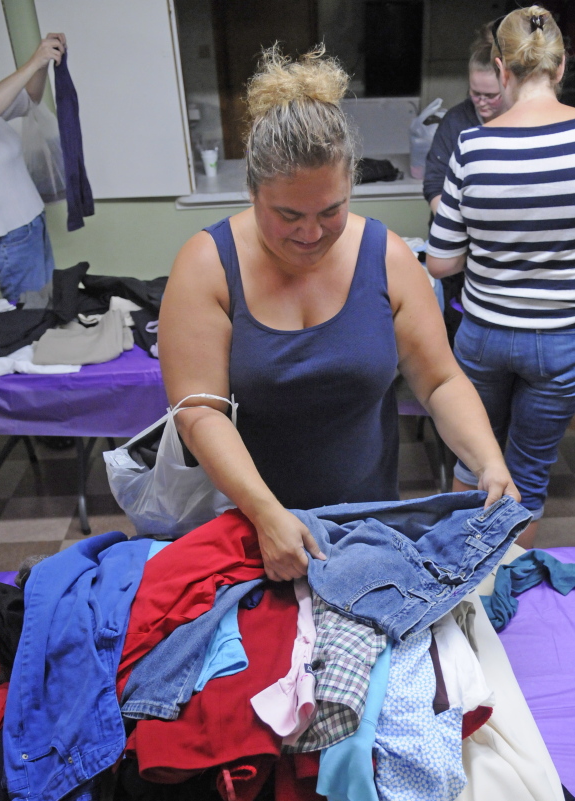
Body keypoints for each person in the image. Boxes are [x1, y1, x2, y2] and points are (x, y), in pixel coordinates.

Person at [158, 45, 518, 582]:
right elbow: (198, 411)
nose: (310, 233)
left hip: (367, 527)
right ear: (252, 191)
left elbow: (440, 381)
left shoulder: (388, 256)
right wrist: (265, 513)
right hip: (250, 527)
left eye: (331, 211)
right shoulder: (208, 265)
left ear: (351, 184)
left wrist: (488, 461)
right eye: (287, 215)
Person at [427, 5, 575, 549]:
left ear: (501, 67)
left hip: (485, 335)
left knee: (474, 462)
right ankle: (508, 587)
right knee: (529, 478)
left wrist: (494, 248)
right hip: (561, 341)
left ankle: (462, 588)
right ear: (559, 68)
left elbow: (440, 262)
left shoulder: (474, 146)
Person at [0, 33, 66, 302]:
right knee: (30, 315)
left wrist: (43, 62)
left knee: (47, 304)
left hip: (32, 223)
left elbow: (30, 97)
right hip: (8, 237)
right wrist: (34, 61)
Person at [424, 22, 507, 216]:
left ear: (506, 86)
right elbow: (434, 184)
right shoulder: (455, 121)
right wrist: (452, 226)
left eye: (490, 95)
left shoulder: (521, 121)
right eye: (475, 93)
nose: (481, 102)